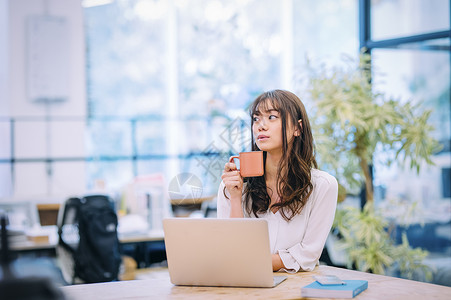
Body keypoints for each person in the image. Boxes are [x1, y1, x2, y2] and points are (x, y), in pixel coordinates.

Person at [217, 89, 338, 273]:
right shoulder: (235, 184)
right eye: (256, 119)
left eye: (272, 117)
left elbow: (308, 254)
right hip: (245, 286)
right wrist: (235, 198)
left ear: (297, 128)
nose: (260, 126)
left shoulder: (322, 185)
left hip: (296, 289)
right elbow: (232, 250)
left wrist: (252, 263)